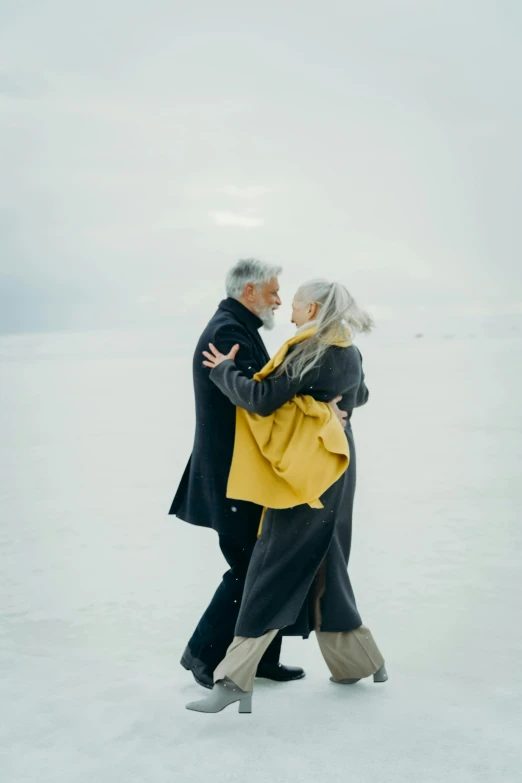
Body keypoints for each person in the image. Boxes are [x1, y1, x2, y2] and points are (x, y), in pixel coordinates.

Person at [185, 279, 387, 714]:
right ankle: (361, 663)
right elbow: (361, 396)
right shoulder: (347, 347)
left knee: (270, 567)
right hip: (337, 466)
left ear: (311, 309)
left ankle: (234, 680)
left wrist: (223, 371)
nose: (289, 311)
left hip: (305, 474)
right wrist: (319, 407)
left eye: (294, 304)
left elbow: (260, 400)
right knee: (326, 563)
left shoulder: (307, 349)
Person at [170, 260, 347, 689]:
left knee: (263, 563)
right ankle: (203, 653)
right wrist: (325, 414)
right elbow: (262, 399)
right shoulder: (228, 332)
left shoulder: (239, 328)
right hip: (231, 474)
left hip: (243, 472)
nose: (279, 300)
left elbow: (275, 395)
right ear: (249, 292)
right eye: (272, 292)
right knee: (252, 564)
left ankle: (262, 661)